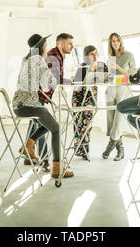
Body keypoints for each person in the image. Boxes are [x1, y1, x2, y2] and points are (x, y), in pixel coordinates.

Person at [12, 34, 74, 179]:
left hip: (18, 104)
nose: (47, 47)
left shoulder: (26, 59)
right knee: (56, 128)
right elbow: (49, 83)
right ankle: (57, 168)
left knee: (49, 122)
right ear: (42, 46)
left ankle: (28, 145)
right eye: (46, 45)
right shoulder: (38, 59)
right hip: (29, 105)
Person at [103, 33, 136, 161]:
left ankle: (110, 146)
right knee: (111, 121)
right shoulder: (110, 58)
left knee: (118, 120)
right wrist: (106, 77)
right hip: (110, 91)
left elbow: (131, 75)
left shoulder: (129, 55)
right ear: (110, 44)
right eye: (113, 41)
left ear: (121, 41)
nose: (115, 43)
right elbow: (111, 76)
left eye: (117, 40)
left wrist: (117, 67)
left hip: (123, 91)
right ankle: (120, 150)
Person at [71, 45, 108, 159]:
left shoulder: (102, 66)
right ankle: (81, 151)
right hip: (78, 97)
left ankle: (81, 148)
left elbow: (108, 78)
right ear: (87, 56)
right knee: (78, 124)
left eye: (96, 53)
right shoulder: (83, 66)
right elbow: (77, 83)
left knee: (87, 123)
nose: (95, 55)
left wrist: (106, 79)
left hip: (91, 97)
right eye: (92, 53)